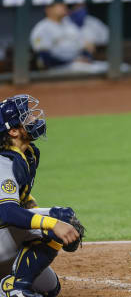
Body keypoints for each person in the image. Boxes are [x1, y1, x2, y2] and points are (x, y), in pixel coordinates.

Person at [0, 94, 82, 297]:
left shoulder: (27, 155)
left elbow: (20, 203)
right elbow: (8, 212)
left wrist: (31, 205)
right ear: (13, 130)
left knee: (50, 288)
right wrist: (52, 224)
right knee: (61, 218)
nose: (33, 119)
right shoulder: (4, 162)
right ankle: (14, 290)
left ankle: (7, 282)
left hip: (3, 238)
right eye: (26, 117)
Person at [30, 3, 107, 73]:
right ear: (48, 9)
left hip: (76, 64)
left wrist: (86, 56)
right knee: (94, 70)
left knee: (109, 67)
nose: (64, 6)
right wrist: (71, 62)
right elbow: (44, 57)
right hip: (57, 67)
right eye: (59, 4)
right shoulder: (42, 28)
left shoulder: (69, 25)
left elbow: (83, 47)